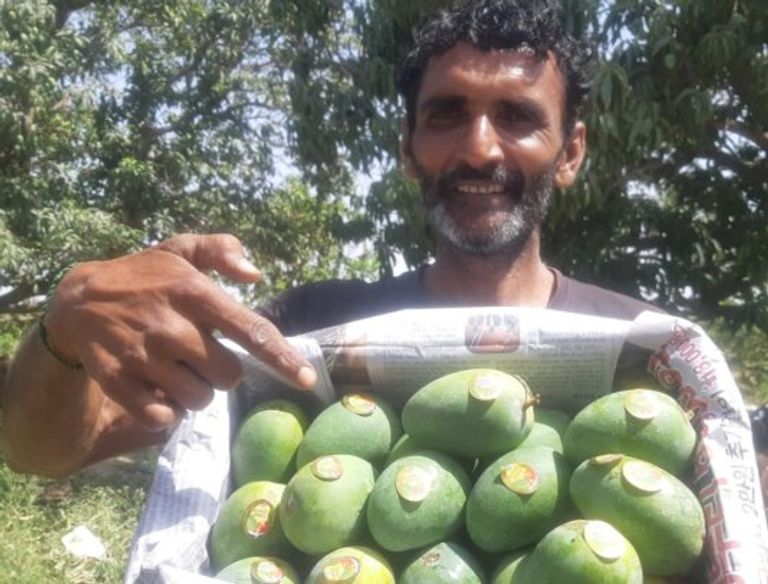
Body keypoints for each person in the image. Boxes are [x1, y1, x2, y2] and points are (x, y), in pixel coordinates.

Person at [1, 0, 657, 478]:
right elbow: (43, 452)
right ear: (408, 149)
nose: (479, 149)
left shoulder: (643, 350)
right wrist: (66, 331)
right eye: (446, 115)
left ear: (570, 153)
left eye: (516, 117)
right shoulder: (307, 328)